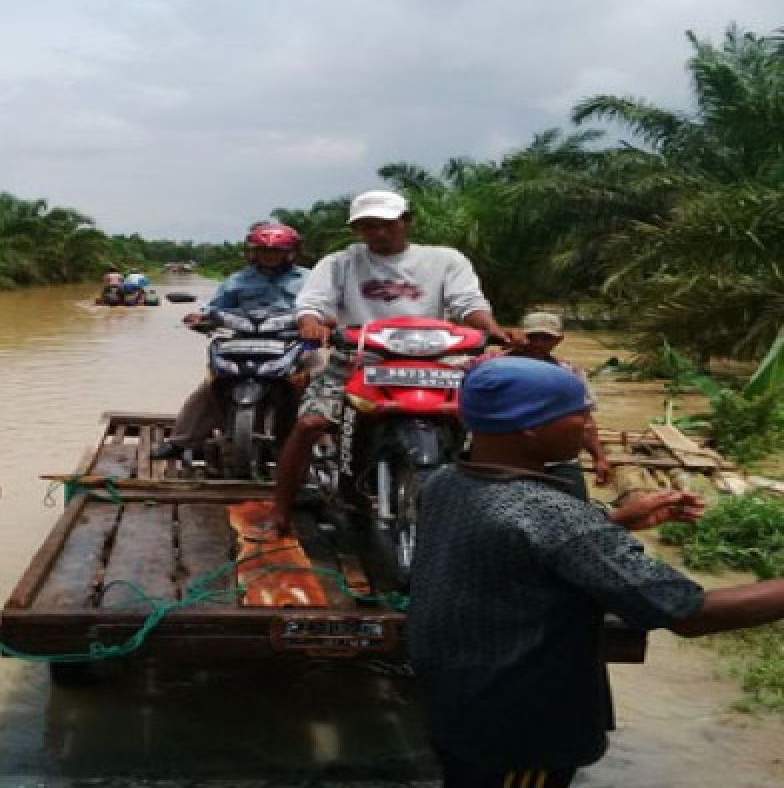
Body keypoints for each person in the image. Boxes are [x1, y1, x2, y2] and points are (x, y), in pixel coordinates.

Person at [407, 356, 784, 787]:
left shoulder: (445, 483)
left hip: (459, 702)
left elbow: (518, 543)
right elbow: (689, 613)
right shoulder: (556, 516)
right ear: (530, 428)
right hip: (519, 729)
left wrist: (614, 519)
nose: (589, 427)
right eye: (579, 414)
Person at [262, 189, 511, 538]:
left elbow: (467, 302)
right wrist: (311, 322)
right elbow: (313, 302)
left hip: (437, 362)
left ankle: (492, 506)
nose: (377, 232)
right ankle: (280, 512)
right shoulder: (340, 263)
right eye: (367, 226)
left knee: (492, 423)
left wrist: (490, 328)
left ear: (406, 223)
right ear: (357, 230)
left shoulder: (445, 260)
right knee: (310, 423)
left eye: (386, 224)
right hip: (359, 359)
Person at [151, 222, 312, 459]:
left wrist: (322, 324)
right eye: (263, 250)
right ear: (253, 252)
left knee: (318, 380)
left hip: (295, 342)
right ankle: (181, 440)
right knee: (212, 383)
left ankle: (324, 445)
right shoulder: (237, 280)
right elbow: (216, 307)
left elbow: (322, 306)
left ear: (290, 253)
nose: (269, 256)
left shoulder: (309, 279)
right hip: (241, 341)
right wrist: (201, 317)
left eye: (276, 251)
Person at [507, 311, 611, 498]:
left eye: (545, 338)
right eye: (533, 337)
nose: (538, 343)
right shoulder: (496, 369)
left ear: (558, 340)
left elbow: (585, 420)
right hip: (508, 460)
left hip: (558, 459)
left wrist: (600, 458)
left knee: (578, 514)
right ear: (521, 336)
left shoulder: (570, 373)